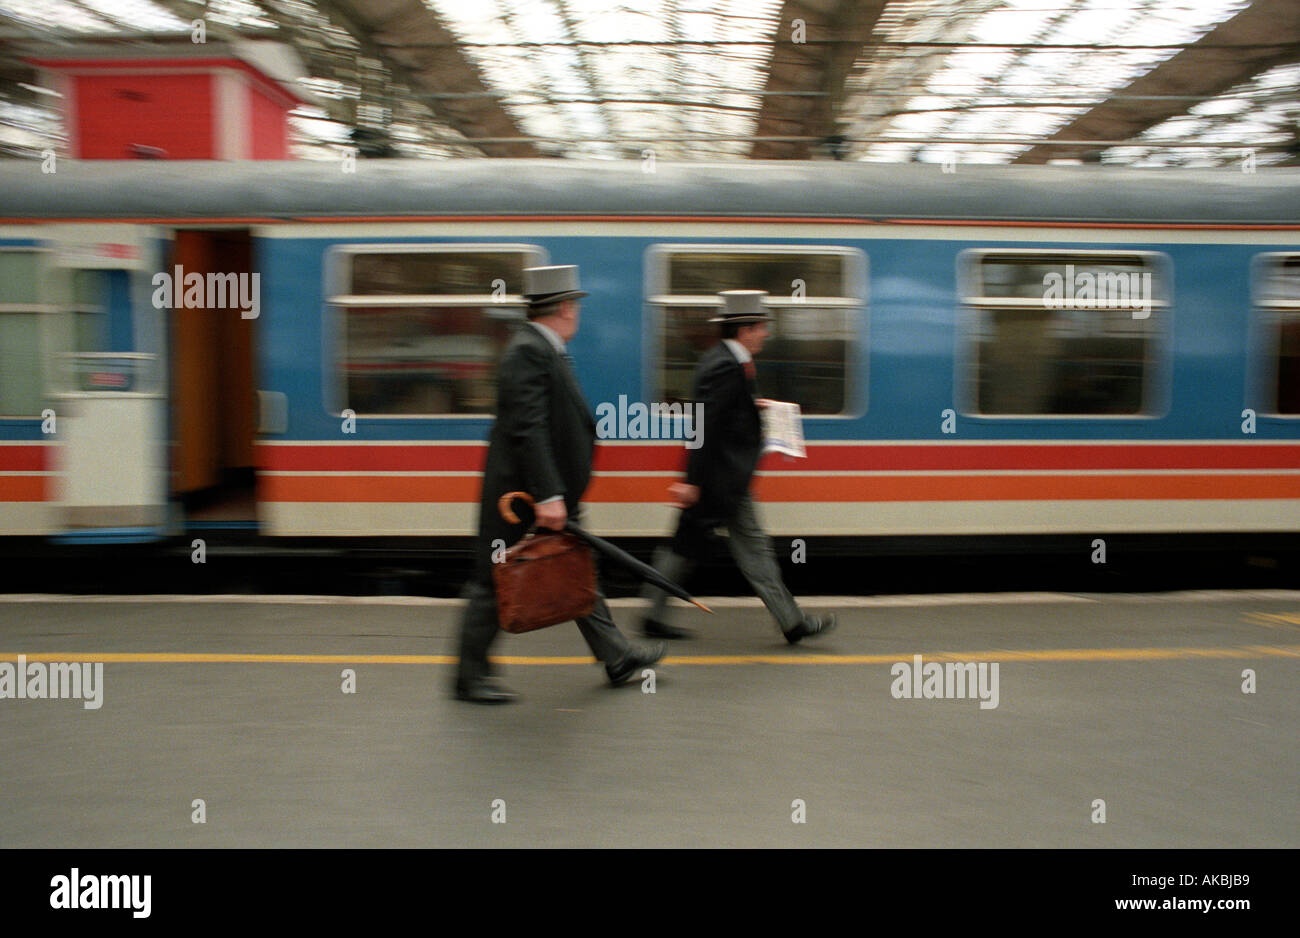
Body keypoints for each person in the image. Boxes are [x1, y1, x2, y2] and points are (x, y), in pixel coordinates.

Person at [453, 264, 665, 704]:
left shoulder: (540, 349)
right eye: (576, 306)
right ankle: (469, 677)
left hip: (544, 493)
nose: (577, 314)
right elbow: (529, 429)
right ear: (566, 308)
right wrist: (549, 495)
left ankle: (617, 655)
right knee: (492, 578)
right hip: (521, 497)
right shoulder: (528, 351)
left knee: (576, 570)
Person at [641, 290, 836, 644]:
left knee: (721, 547)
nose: (766, 334)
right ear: (745, 330)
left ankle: (791, 622)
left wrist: (751, 406)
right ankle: (791, 622)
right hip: (716, 479)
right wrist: (691, 481)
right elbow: (703, 426)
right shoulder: (724, 366)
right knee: (691, 547)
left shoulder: (729, 360)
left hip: (726, 479)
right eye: (762, 327)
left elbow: (722, 415)